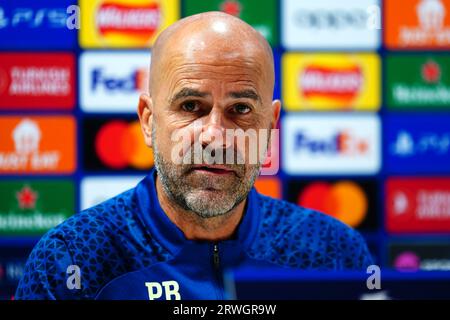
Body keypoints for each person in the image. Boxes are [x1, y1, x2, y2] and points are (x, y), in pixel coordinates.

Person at [16, 12, 373, 300]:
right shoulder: (73, 258)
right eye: (191, 106)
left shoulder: (333, 253)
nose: (215, 135)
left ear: (271, 125)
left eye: (241, 109)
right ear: (148, 120)